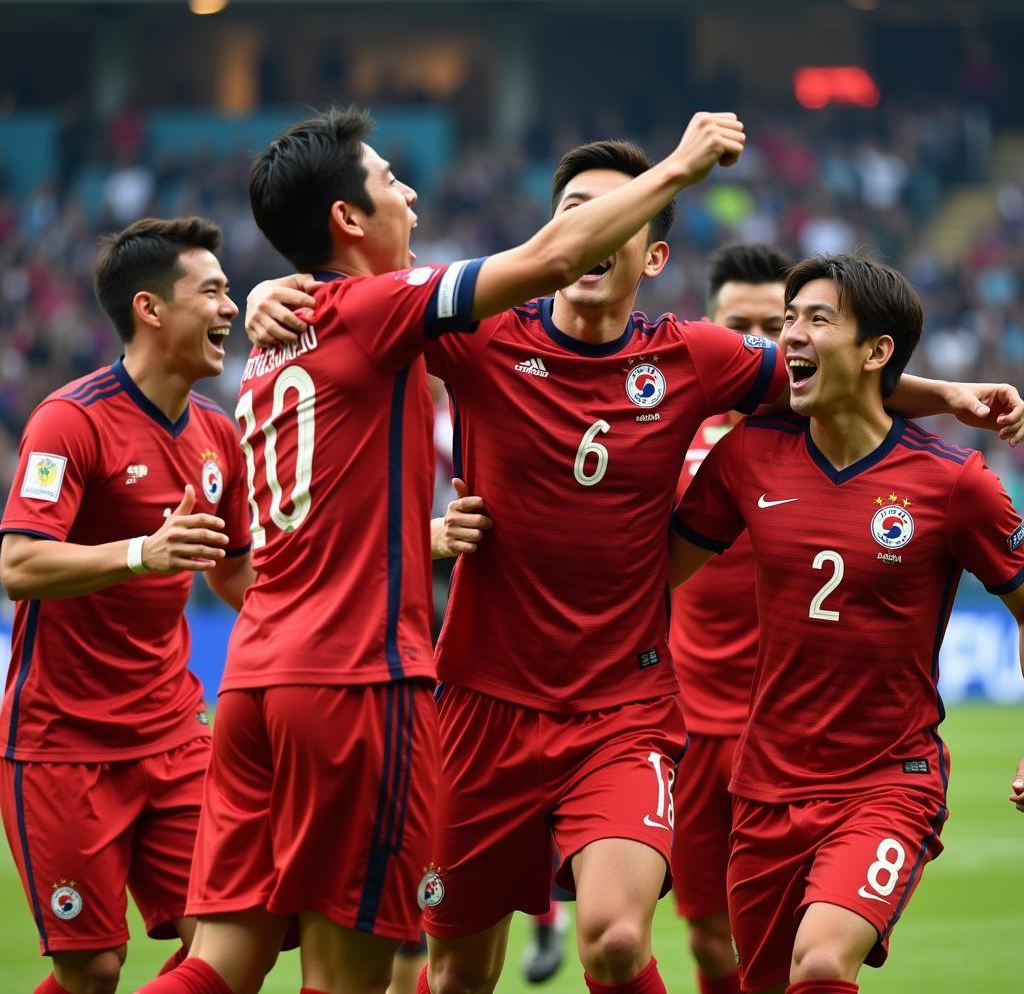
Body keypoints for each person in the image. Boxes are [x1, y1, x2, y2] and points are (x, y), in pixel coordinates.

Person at [246, 139, 1024, 994]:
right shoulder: (477, 334)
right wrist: (270, 291)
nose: (584, 227)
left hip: (623, 707)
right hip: (480, 703)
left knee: (617, 941)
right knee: (459, 968)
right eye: (571, 209)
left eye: (607, 214)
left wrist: (947, 395)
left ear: (650, 253)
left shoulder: (692, 356)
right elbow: (357, 313)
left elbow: (829, 377)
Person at [138, 105, 750, 994]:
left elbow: (267, 543)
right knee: (348, 975)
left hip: (253, 681)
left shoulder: (286, 338)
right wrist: (683, 166)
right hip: (357, 688)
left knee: (219, 964)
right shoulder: (392, 311)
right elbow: (546, 261)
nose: (411, 191)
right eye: (390, 179)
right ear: (347, 217)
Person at [669, 253, 1024, 994]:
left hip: (887, 782)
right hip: (763, 788)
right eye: (785, 319)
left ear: (876, 351)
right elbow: (650, 577)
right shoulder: (747, 457)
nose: (788, 336)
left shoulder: (955, 485)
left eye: (812, 319)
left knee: (823, 961)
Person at [0, 216, 253, 994]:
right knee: (94, 968)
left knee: (240, 930)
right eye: (211, 291)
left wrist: (397, 557)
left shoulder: (219, 436)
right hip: (62, 743)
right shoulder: (69, 420)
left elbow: (239, 576)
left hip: (174, 733)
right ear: (150, 309)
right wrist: (143, 551)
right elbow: (19, 563)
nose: (229, 309)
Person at [669, 242, 788, 994]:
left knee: (796, 941)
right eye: (739, 325)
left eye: (774, 325)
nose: (759, 343)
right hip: (682, 725)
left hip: (789, 729)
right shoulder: (666, 432)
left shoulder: (826, 438)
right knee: (710, 933)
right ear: (712, 331)